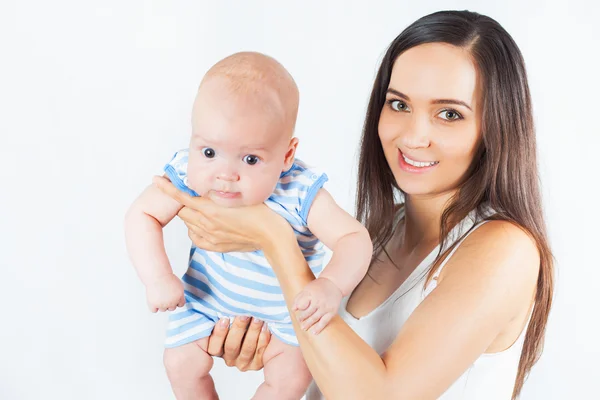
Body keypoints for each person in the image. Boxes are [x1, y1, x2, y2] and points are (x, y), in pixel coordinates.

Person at [153, 10, 554, 400]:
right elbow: (332, 364)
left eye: (449, 114)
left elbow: (382, 395)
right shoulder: (382, 232)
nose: (414, 136)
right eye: (399, 104)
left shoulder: (505, 248)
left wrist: (274, 237)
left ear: (495, 127)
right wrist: (266, 341)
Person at [124, 52, 372, 399]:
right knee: (180, 364)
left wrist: (330, 285)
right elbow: (142, 215)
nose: (225, 175)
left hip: (285, 321)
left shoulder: (299, 190)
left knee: (290, 378)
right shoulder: (185, 174)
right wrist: (158, 277)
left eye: (251, 159)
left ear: (286, 156)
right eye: (209, 153)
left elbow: (354, 238)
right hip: (205, 305)